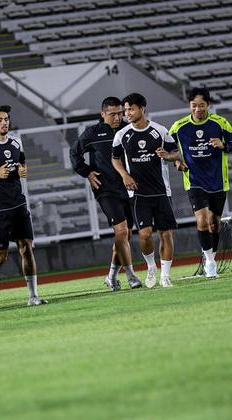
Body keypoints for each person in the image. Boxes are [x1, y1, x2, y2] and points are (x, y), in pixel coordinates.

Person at [0, 105, 46, 308]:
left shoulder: (16, 142)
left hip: (18, 203)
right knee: (1, 256)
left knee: (27, 247)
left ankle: (33, 295)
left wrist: (22, 170)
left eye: (6, 119)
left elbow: (21, 163)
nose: (4, 123)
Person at [71, 96, 143, 290]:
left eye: (120, 113)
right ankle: (131, 276)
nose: (117, 117)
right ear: (103, 114)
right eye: (112, 114)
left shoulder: (128, 130)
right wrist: (86, 172)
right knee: (121, 230)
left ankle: (111, 276)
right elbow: (74, 153)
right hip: (105, 189)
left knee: (125, 235)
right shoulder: (92, 134)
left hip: (129, 189)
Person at [169, 87, 232, 279]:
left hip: (217, 181)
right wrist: (177, 161)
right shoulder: (179, 126)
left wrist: (222, 145)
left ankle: (212, 257)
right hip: (194, 181)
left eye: (201, 105)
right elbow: (170, 149)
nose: (197, 109)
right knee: (202, 219)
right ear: (189, 106)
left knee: (214, 224)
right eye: (194, 106)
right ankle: (209, 262)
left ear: (208, 105)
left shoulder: (220, 123)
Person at [112, 92, 179, 288]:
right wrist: (124, 175)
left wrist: (167, 156)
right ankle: (151, 267)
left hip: (161, 191)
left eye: (131, 109)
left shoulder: (159, 131)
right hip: (138, 193)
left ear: (142, 108)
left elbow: (176, 154)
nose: (127, 114)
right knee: (145, 234)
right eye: (125, 110)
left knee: (166, 234)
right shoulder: (121, 135)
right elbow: (115, 158)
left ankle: (165, 276)